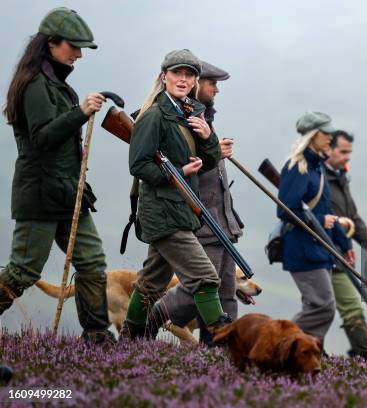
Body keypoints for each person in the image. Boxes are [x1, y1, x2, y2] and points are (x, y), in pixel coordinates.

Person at [0, 7, 114, 343]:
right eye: (74, 46)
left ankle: (97, 336)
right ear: (51, 44)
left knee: (92, 261)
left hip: (67, 192)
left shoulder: (57, 86)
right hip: (39, 194)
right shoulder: (35, 85)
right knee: (23, 271)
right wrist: (80, 112)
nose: (78, 54)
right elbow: (43, 138)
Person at [121, 49, 229, 339]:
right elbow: (139, 165)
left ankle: (129, 341)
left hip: (180, 210)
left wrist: (208, 136)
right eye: (177, 73)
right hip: (163, 211)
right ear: (164, 77)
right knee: (206, 278)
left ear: (194, 81)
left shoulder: (189, 113)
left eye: (189, 75)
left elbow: (208, 160)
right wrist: (179, 172)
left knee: (151, 284)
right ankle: (223, 345)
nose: (183, 79)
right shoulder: (154, 115)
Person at [147, 60, 244, 344]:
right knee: (199, 289)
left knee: (227, 294)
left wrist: (214, 148)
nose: (217, 90)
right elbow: (178, 169)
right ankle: (153, 316)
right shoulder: (176, 120)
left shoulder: (201, 118)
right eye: (213, 83)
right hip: (200, 221)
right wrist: (214, 153)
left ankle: (220, 354)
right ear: (199, 85)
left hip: (220, 221)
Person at [277, 112, 353, 346]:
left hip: (319, 248)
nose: (330, 136)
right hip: (303, 249)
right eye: (326, 132)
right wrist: (321, 219)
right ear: (313, 135)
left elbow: (325, 211)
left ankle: (303, 354)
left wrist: (345, 243)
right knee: (323, 307)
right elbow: (285, 211)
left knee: (318, 306)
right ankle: (276, 343)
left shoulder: (316, 168)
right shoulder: (296, 167)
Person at [323, 130, 367, 357]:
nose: (348, 156)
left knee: (341, 310)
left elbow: (353, 219)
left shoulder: (339, 177)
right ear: (328, 149)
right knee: (324, 310)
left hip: (338, 256)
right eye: (343, 151)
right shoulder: (317, 177)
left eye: (350, 152)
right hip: (322, 255)